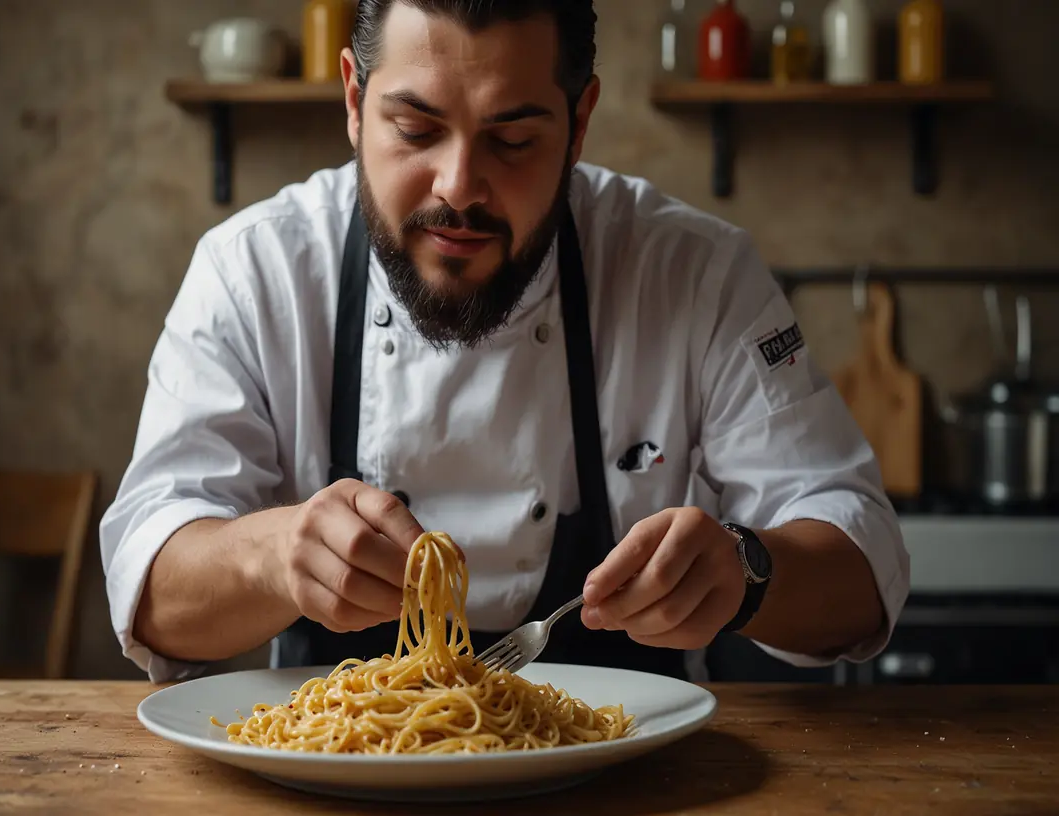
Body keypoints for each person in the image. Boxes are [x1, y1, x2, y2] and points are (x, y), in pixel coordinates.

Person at [100, 0, 910, 684]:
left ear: (580, 121)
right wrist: (274, 555)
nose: (459, 186)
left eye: (513, 141)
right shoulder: (255, 272)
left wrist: (747, 572)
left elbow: (862, 570)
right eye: (416, 129)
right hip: (334, 807)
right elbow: (150, 586)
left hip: (630, 809)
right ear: (353, 98)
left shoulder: (696, 274)